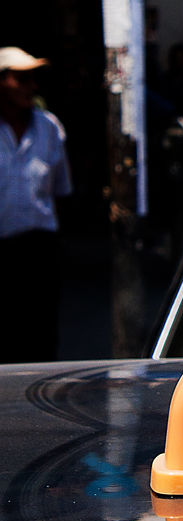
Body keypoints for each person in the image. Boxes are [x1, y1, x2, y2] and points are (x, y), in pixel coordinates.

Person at [0, 47, 72, 363]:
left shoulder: (49, 127)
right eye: (21, 79)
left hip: (38, 249)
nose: (31, 86)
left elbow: (61, 189)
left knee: (41, 338)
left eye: (33, 79)